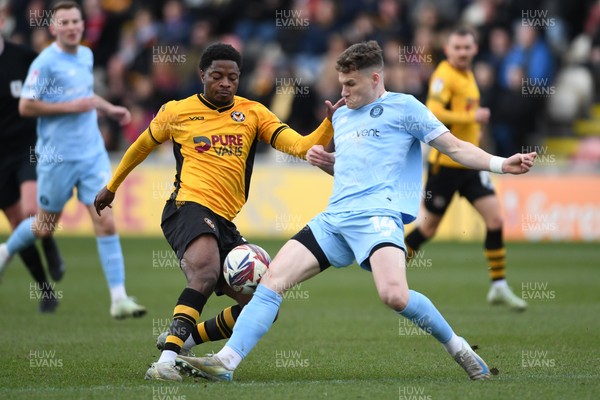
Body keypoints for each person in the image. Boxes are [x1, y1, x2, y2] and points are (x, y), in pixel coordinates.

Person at [173, 40, 537, 382]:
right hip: (334, 219)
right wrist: (326, 161)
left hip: (377, 217)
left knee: (394, 295)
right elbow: (351, 168)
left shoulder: (405, 107)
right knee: (272, 281)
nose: (343, 92)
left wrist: (502, 164)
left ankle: (458, 348)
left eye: (350, 84)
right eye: (340, 83)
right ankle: (227, 362)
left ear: (375, 78)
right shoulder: (342, 115)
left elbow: (455, 147)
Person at [94, 42, 340, 381]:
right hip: (187, 206)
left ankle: (183, 340)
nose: (225, 83)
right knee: (206, 273)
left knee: (262, 304)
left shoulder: (253, 113)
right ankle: (164, 363)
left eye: (233, 78)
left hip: (223, 220)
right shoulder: (177, 112)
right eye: (218, 76)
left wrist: (329, 123)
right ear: (202, 75)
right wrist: (112, 186)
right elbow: (141, 146)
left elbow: (299, 146)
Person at [0, 0, 146, 319]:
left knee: (105, 219)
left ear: (83, 24)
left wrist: (109, 108)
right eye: (64, 22)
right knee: (43, 225)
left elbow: (85, 96)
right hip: (57, 158)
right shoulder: (45, 62)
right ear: (54, 28)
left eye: (75, 21)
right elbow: (26, 105)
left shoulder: (86, 54)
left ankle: (119, 298)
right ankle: (6, 250)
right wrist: (71, 107)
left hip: (91, 154)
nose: (71, 27)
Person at [403, 27, 527, 311]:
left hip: (471, 165)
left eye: (466, 48)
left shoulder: (468, 74)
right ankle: (393, 267)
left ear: (474, 49)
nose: (462, 52)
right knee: (430, 227)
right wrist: (471, 116)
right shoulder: (443, 76)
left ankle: (498, 285)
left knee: (495, 219)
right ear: (447, 50)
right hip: (446, 166)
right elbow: (431, 112)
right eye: (457, 48)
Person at [0, 0, 64, 313]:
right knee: (17, 226)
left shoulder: (23, 57)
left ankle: (48, 240)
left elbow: (51, 85)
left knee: (30, 210)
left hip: (28, 147)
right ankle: (46, 290)